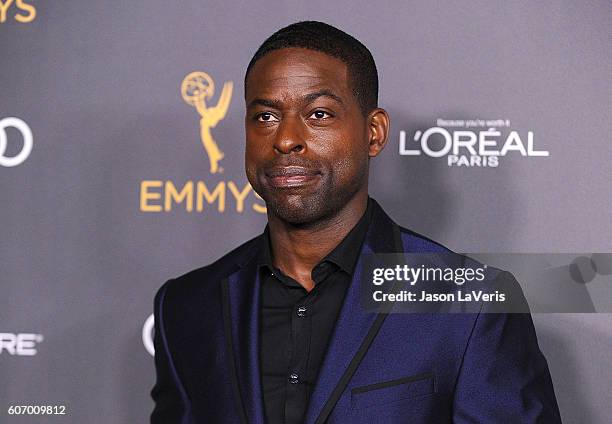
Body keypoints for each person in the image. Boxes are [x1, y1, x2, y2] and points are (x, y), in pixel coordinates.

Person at [151, 21, 561, 423]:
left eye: (319, 114)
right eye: (265, 117)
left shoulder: (469, 306)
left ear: (374, 133)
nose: (285, 138)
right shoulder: (186, 306)